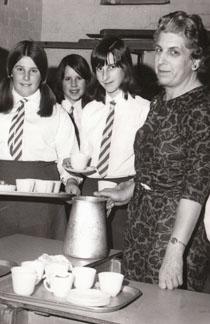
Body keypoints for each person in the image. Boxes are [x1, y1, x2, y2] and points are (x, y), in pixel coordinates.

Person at [96, 11, 210, 291]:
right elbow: (153, 169)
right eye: (159, 50)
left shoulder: (202, 108)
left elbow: (196, 186)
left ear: (195, 60)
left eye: (174, 52)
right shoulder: (159, 102)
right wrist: (129, 189)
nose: (161, 60)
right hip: (140, 222)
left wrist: (175, 251)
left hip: (176, 231)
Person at [0, 40, 80, 241]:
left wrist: (71, 180)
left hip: (43, 199)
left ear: (43, 75)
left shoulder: (57, 113)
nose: (25, 77)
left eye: (33, 71)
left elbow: (69, 155)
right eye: (20, 69)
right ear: (10, 72)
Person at [78, 37, 150, 250]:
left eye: (112, 67)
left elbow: (148, 162)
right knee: (88, 255)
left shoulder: (144, 109)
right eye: (99, 68)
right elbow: (85, 153)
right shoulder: (90, 109)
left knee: (124, 256)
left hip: (126, 191)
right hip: (92, 189)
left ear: (125, 68)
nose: (105, 75)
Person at [53, 54, 92, 143]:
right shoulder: (53, 111)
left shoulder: (94, 111)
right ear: (61, 81)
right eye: (68, 79)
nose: (73, 84)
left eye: (79, 78)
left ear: (86, 81)